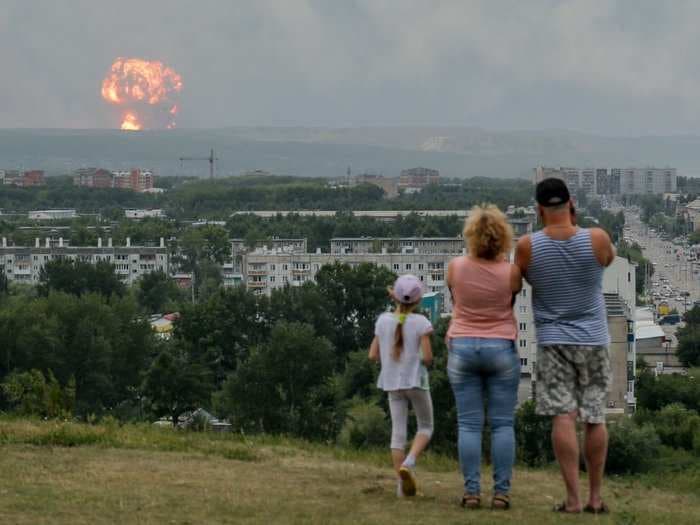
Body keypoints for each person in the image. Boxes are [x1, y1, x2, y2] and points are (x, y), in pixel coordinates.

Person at [515, 178, 615, 515]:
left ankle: (572, 499)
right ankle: (596, 498)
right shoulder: (597, 238)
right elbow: (608, 259)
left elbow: (522, 278)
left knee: (563, 416)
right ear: (571, 203)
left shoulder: (528, 245)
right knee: (595, 417)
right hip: (594, 340)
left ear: (539, 208)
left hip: (553, 340)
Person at [446, 204, 522, 510]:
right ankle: (501, 493)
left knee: (469, 425)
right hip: (501, 347)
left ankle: (471, 492)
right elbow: (510, 301)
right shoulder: (511, 272)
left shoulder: (456, 267)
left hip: (463, 347)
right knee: (503, 424)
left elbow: (455, 298)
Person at [368, 274, 434, 498]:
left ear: (394, 296)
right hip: (416, 381)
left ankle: (401, 488)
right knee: (425, 427)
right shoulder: (422, 323)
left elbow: (372, 355)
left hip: (392, 382)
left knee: (398, 435)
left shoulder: (383, 321)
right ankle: (410, 462)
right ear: (417, 301)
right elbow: (427, 357)